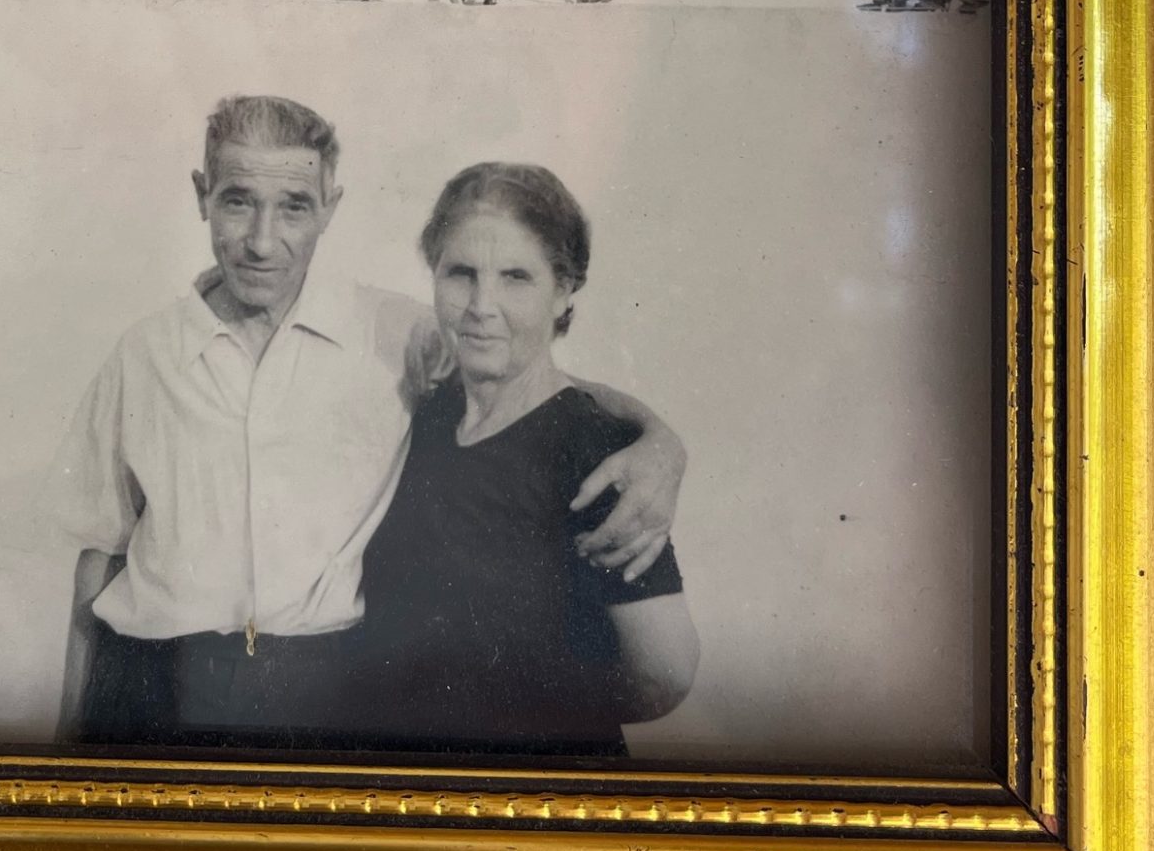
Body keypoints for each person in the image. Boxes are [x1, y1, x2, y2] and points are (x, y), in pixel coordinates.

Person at [49, 94, 688, 750]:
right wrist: (66, 738)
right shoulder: (143, 354)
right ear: (201, 195)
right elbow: (101, 551)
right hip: (147, 686)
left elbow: (531, 380)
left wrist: (661, 441)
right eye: (238, 201)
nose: (263, 242)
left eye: (294, 206)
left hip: (316, 693)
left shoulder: (393, 334)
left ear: (329, 207)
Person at [330, 162, 700, 757]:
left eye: (516, 278)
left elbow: (665, 675)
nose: (482, 305)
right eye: (461, 274)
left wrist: (517, 719)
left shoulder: (594, 448)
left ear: (564, 290)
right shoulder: (424, 411)